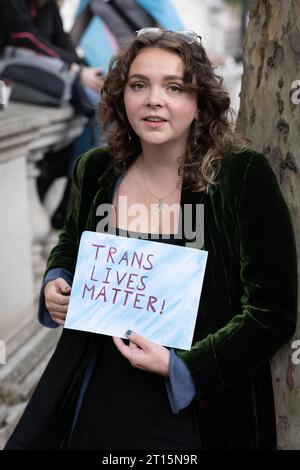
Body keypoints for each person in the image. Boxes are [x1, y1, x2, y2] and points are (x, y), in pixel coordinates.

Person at [5, 28, 297, 450]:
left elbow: (272, 312)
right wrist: (57, 279)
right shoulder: (98, 168)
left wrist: (184, 369)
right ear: (122, 97)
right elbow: (71, 241)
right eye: (139, 85)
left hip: (194, 409)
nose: (153, 99)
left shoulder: (240, 176)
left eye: (174, 87)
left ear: (200, 104)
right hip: (94, 386)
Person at [0, 0, 103, 228]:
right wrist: (74, 68)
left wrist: (80, 67)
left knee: (97, 109)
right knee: (93, 107)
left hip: (40, 74)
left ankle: (72, 191)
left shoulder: (47, 7)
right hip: (12, 73)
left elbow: (63, 43)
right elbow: (24, 38)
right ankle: (70, 197)